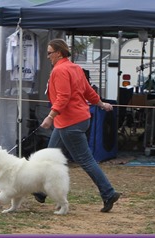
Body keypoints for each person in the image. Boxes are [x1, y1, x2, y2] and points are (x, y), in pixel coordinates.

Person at [33, 38, 120, 212]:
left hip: (69, 122)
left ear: (58, 53)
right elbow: (88, 91)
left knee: (85, 160)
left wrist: (50, 116)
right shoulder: (75, 68)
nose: (48, 56)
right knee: (48, 158)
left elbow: (63, 97)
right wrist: (101, 104)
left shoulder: (60, 70)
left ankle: (108, 192)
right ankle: (41, 192)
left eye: (49, 53)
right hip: (75, 119)